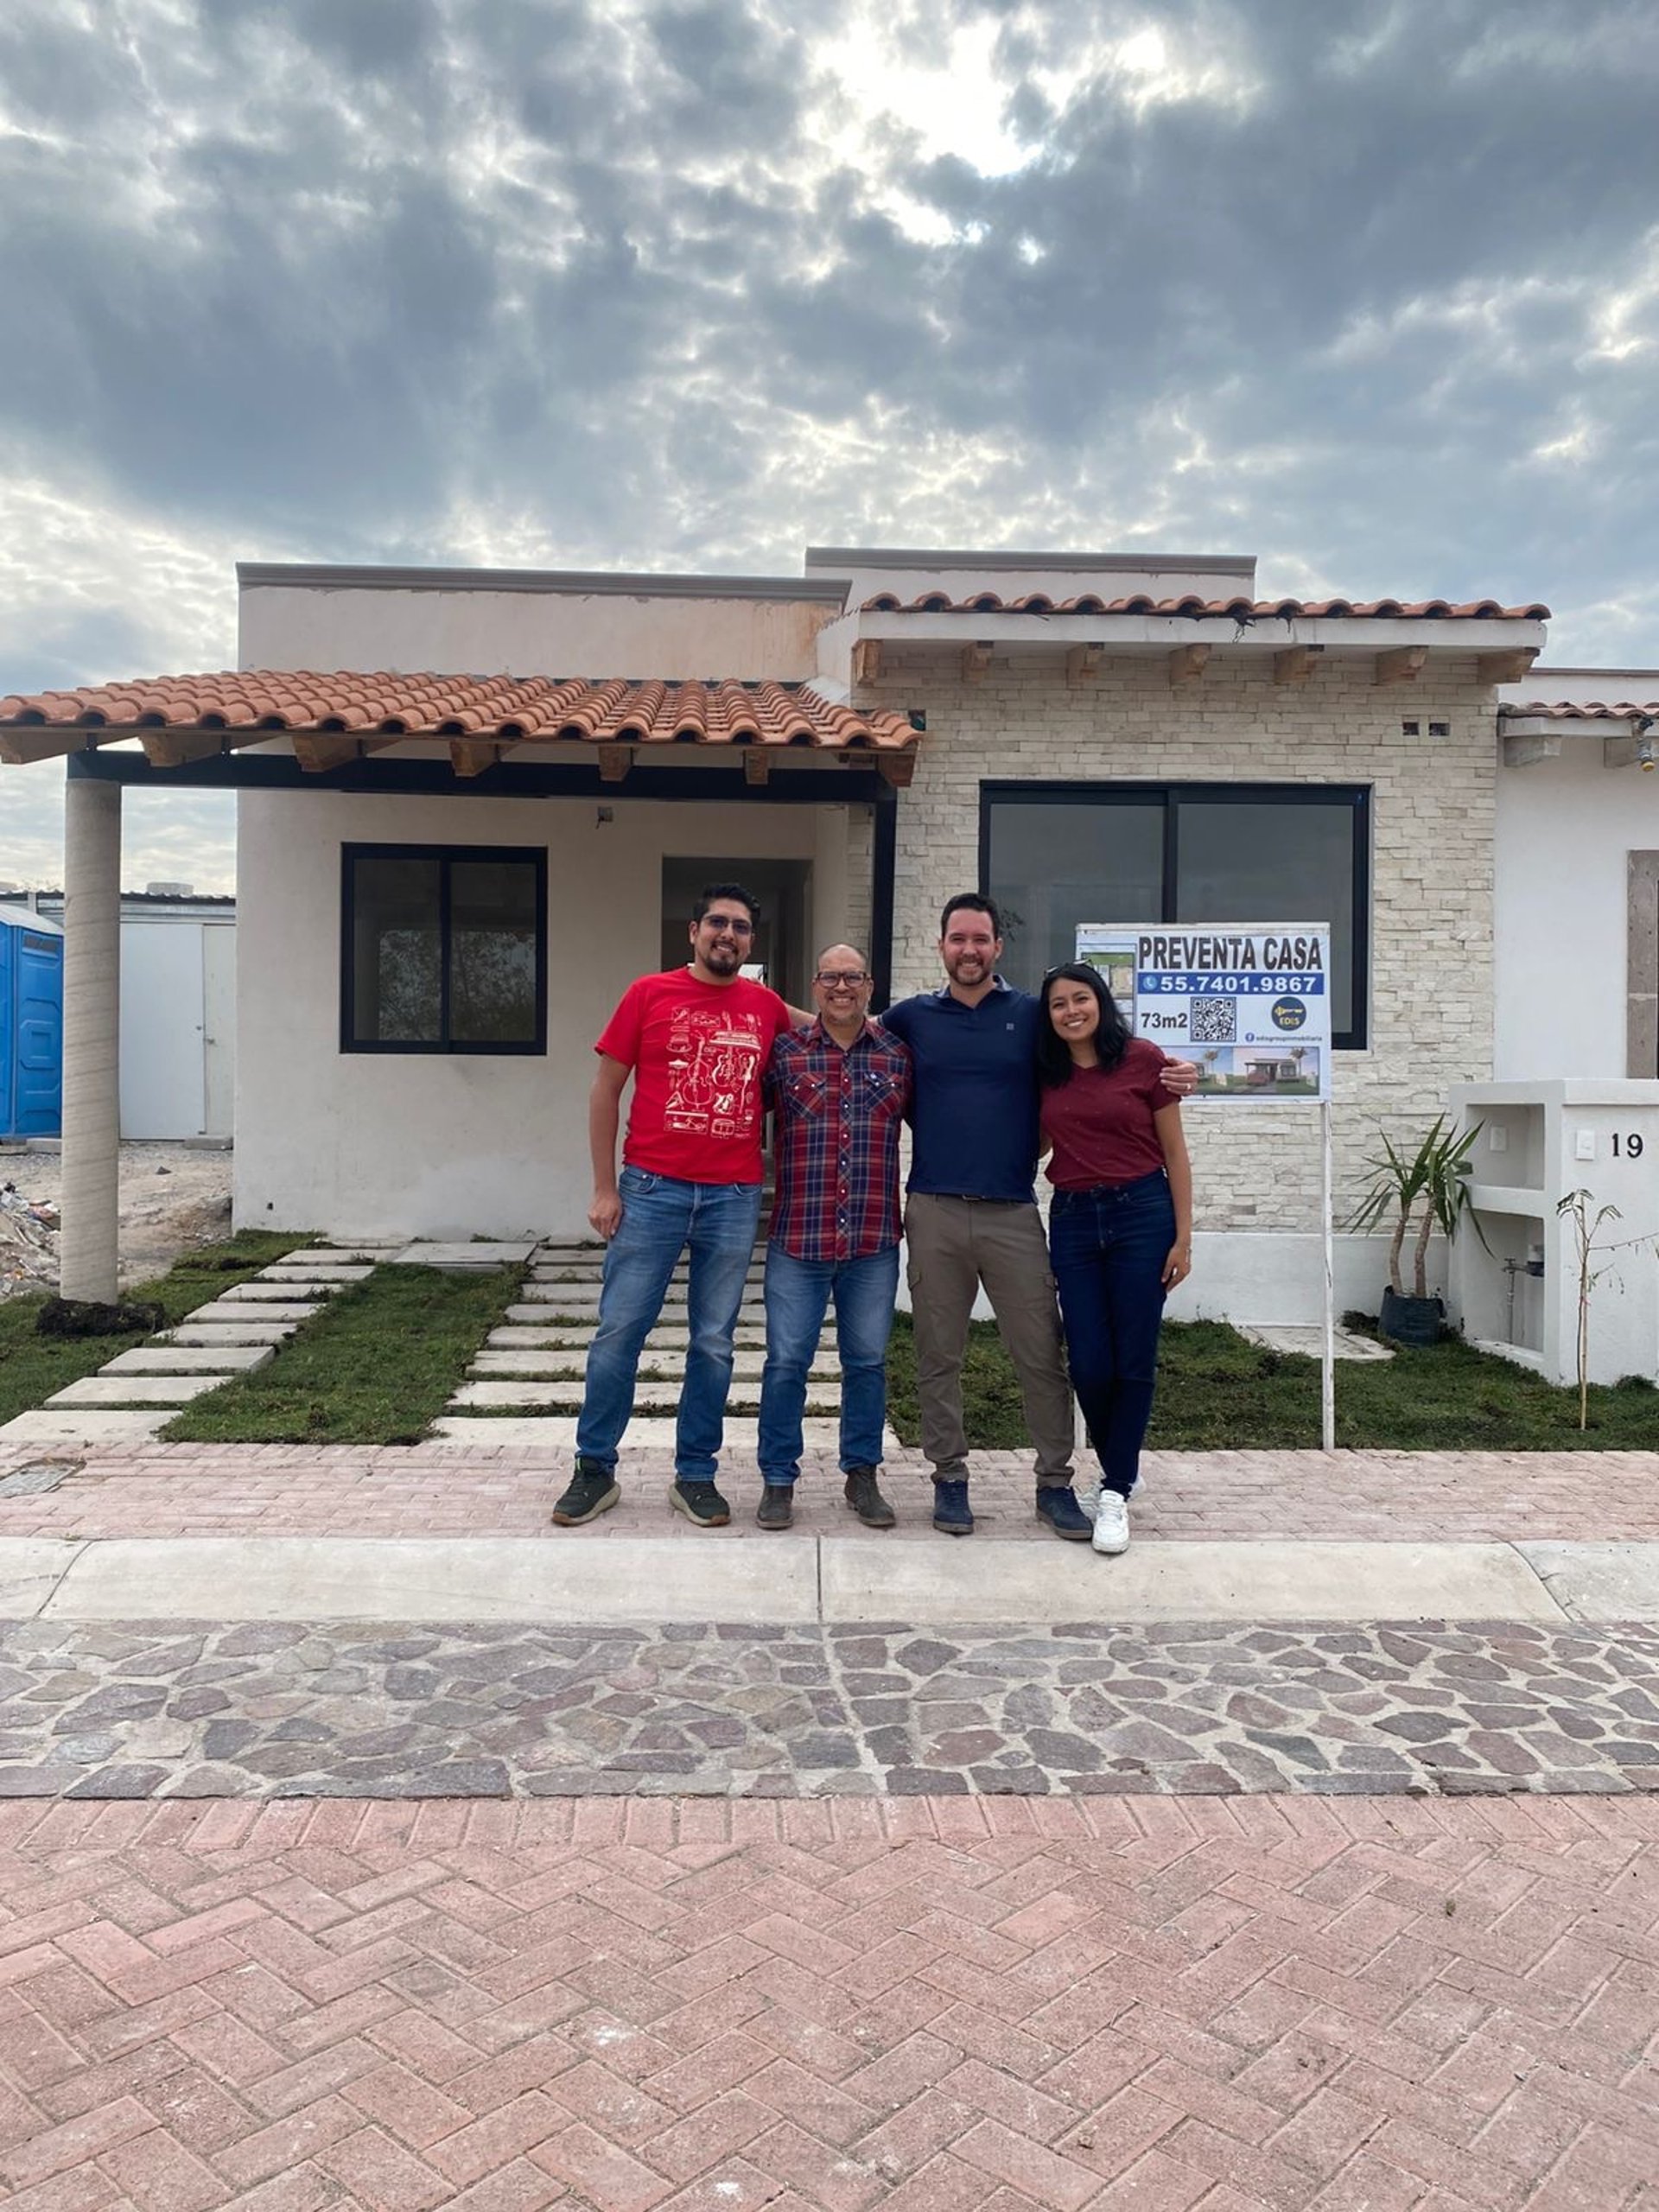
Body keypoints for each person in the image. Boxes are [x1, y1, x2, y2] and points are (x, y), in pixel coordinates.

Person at [882, 894, 1195, 1541]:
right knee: (939, 1355)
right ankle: (949, 1478)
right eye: (957, 938)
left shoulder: (1034, 1016)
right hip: (934, 1208)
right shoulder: (912, 1017)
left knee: (1043, 1356)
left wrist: (1186, 1070)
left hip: (1015, 1213)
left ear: (998, 947)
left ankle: (1055, 1483)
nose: (969, 950)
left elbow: (1107, 1058)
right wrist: (768, 1007)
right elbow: (843, 1021)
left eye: (981, 939)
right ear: (941, 945)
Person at [551, 884, 795, 1531]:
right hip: (652, 1190)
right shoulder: (647, 994)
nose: (728, 934)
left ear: (751, 942)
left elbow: (833, 1021)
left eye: (741, 927)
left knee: (713, 1343)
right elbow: (606, 1091)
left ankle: (695, 1475)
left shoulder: (765, 1006)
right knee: (619, 1333)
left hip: (734, 1198)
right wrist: (604, 1188)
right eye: (717, 922)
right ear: (693, 931)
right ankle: (594, 1468)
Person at [1038, 962, 1192, 1555]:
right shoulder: (1046, 1074)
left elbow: (1175, 1155)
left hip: (1142, 1214)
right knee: (1089, 1363)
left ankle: (1115, 1489)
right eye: (1058, 1004)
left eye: (1081, 999)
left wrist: (1183, 1238)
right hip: (1075, 1219)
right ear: (1048, 1017)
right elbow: (1037, 1142)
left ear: (1100, 1002)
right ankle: (1122, 1458)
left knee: (1134, 1356)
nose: (1071, 1011)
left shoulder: (1144, 1059)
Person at [755, 945, 911, 1531]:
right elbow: (743, 1124)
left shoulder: (897, 1056)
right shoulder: (784, 1055)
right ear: (815, 987)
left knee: (867, 1363)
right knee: (786, 1363)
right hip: (798, 1238)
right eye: (830, 977)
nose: (841, 986)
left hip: (873, 1240)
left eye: (852, 977)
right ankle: (777, 1480)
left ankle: (862, 1477)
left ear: (869, 985)